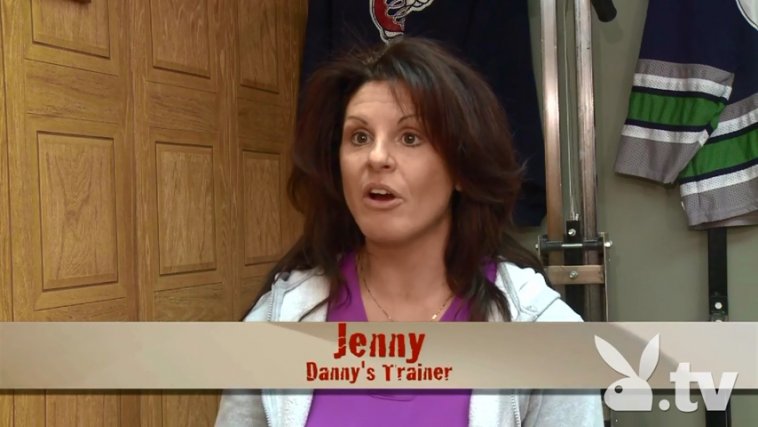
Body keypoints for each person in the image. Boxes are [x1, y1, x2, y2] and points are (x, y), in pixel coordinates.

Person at [215, 37, 603, 427]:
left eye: (410, 137)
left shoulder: (545, 335)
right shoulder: (279, 319)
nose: (377, 157)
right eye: (359, 137)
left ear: (462, 170)